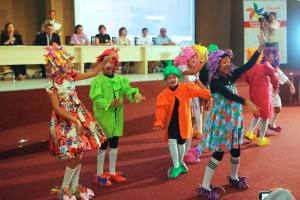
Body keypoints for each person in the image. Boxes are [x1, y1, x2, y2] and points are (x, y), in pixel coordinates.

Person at [197, 33, 265, 200]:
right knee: (219, 153)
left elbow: (247, 65)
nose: (228, 64)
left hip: (234, 120)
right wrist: (246, 102)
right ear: (216, 65)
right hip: (221, 121)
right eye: (224, 62)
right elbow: (229, 95)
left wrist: (260, 48)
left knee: (236, 149)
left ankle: (233, 177)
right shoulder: (215, 82)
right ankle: (205, 186)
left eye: (229, 62)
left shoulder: (230, 75)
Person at [45, 43, 113, 199]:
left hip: (78, 116)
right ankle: (64, 190)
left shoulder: (71, 76)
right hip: (65, 121)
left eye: (70, 61)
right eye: (66, 62)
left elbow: (94, 72)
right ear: (58, 66)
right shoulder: (52, 85)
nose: (70, 64)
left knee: (80, 153)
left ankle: (74, 189)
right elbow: (57, 108)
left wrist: (104, 61)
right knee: (75, 154)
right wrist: (74, 120)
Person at [89, 48, 145, 187]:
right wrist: (109, 103)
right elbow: (96, 97)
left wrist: (134, 94)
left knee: (114, 144)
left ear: (115, 64)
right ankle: (99, 173)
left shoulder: (120, 79)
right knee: (103, 145)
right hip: (103, 118)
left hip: (116, 118)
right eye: (105, 61)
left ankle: (112, 172)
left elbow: (128, 89)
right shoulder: (97, 80)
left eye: (111, 61)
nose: (108, 65)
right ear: (101, 64)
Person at [153, 64, 211, 179]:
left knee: (181, 142)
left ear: (178, 78)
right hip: (172, 123)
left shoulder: (186, 88)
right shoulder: (163, 95)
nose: (172, 80)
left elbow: (199, 91)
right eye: (169, 78)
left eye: (174, 77)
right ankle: (175, 165)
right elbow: (161, 109)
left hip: (184, 122)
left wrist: (209, 95)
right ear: (166, 80)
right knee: (172, 141)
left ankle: (180, 163)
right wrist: (159, 121)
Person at [173, 47, 207, 164]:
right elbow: (191, 73)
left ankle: (186, 152)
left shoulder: (195, 69)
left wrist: (208, 93)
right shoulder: (182, 68)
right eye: (192, 56)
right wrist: (205, 61)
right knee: (183, 126)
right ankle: (180, 151)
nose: (195, 59)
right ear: (186, 57)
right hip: (184, 101)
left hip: (194, 100)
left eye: (196, 57)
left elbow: (198, 82)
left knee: (191, 125)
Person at [244, 48, 279, 146]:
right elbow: (274, 77)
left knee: (257, 114)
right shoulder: (264, 66)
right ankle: (261, 139)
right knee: (265, 117)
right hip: (264, 95)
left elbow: (247, 81)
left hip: (253, 94)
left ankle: (250, 132)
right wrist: (276, 87)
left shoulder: (248, 69)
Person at [260, 48, 296, 132]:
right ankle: (261, 129)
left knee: (278, 108)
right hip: (264, 93)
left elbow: (283, 77)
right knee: (264, 112)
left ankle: (272, 124)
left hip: (274, 93)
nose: (272, 58)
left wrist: (291, 85)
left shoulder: (276, 69)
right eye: (269, 56)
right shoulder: (261, 68)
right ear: (265, 57)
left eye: (273, 56)